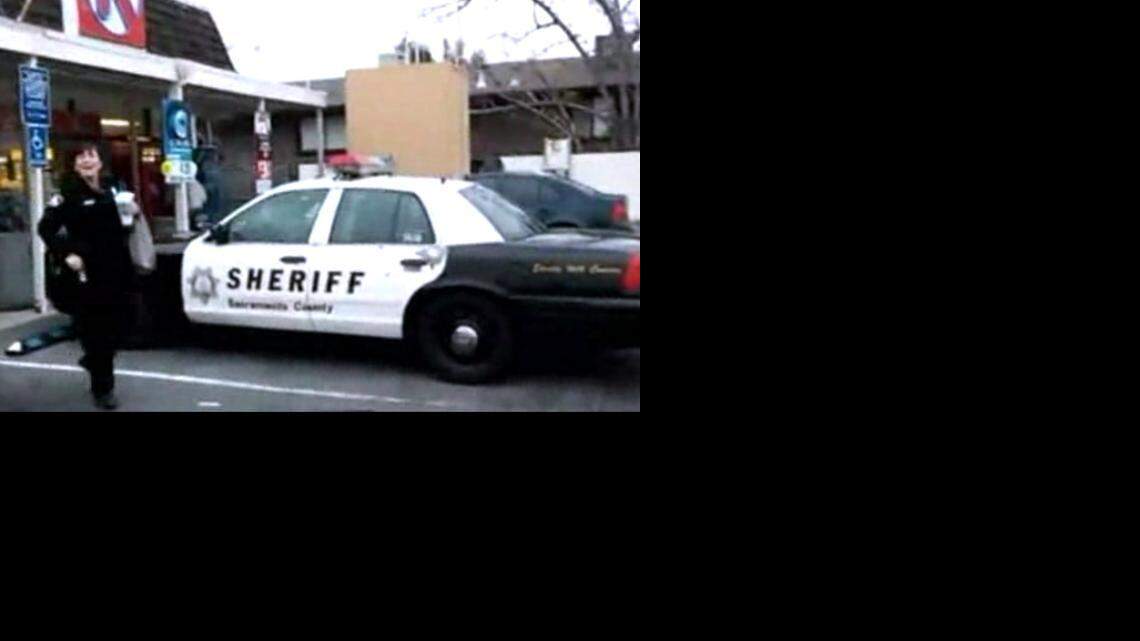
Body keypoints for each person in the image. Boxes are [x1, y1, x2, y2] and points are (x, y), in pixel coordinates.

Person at [37, 145, 136, 410]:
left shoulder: (114, 189)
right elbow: (45, 228)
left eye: (92, 156)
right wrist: (66, 253)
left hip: (117, 268)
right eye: (81, 157)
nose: (88, 161)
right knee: (97, 331)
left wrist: (132, 215)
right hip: (86, 274)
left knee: (118, 327)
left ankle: (93, 360)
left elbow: (124, 226)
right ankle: (103, 389)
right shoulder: (66, 196)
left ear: (100, 162)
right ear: (74, 165)